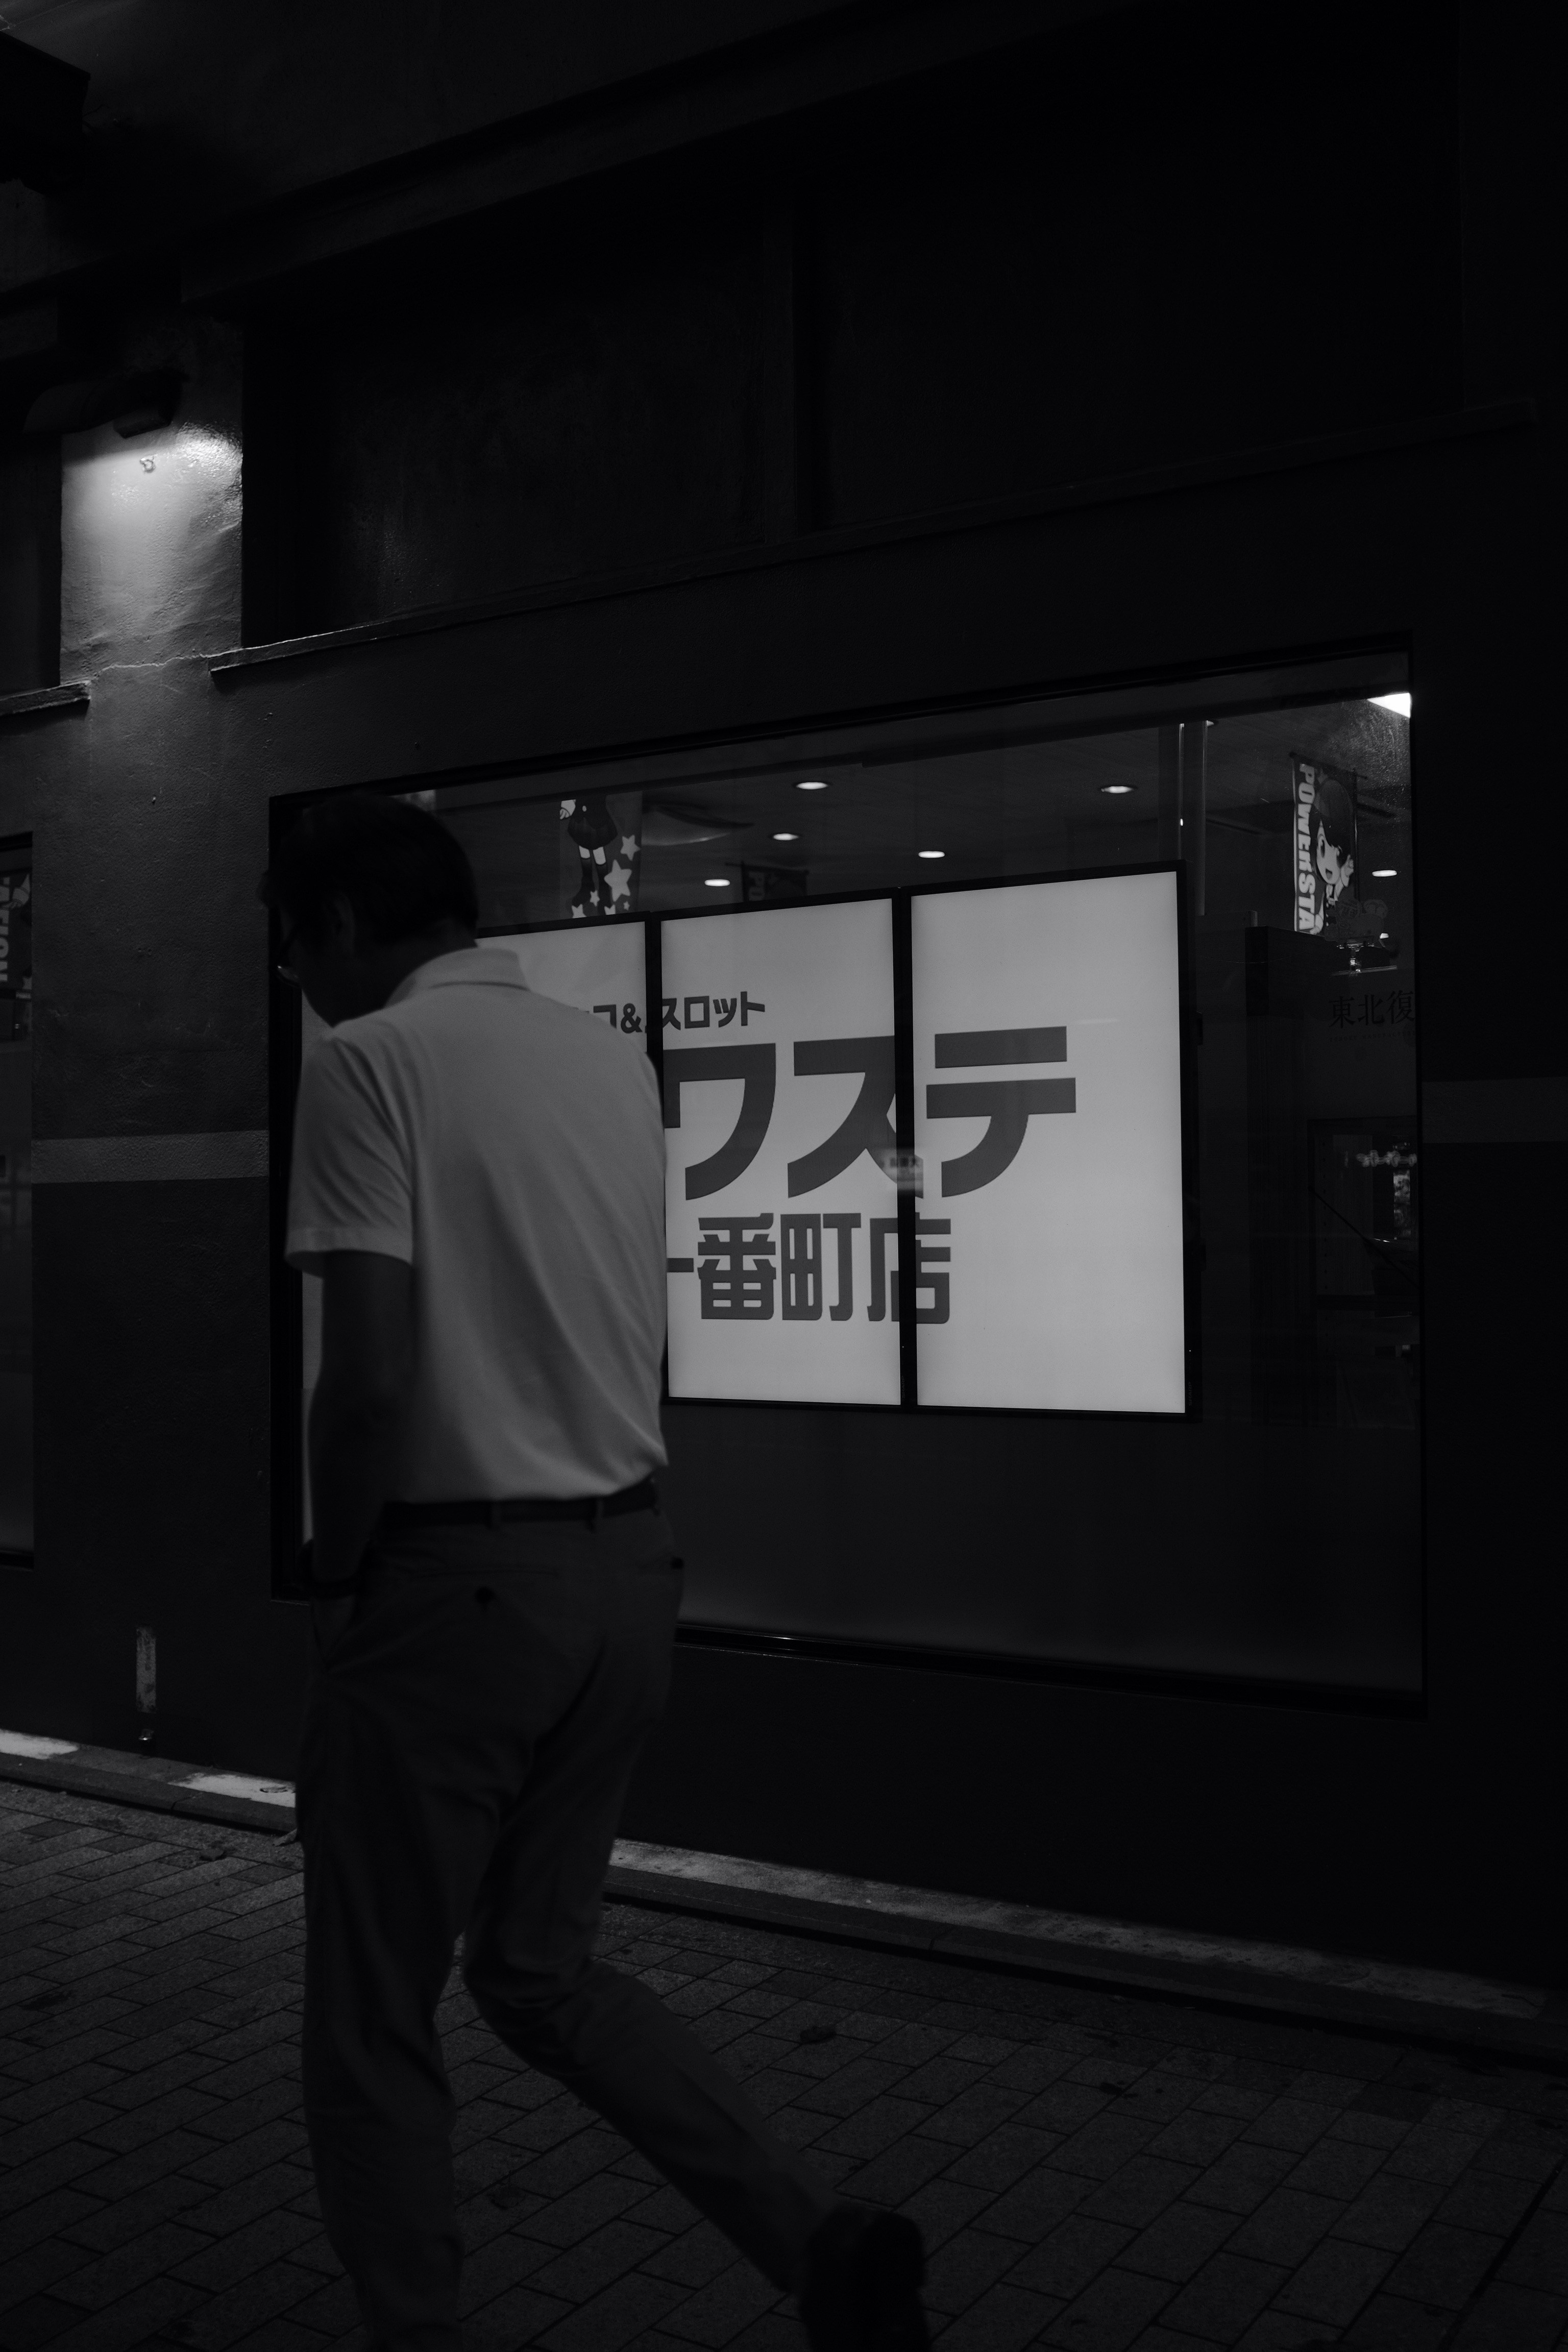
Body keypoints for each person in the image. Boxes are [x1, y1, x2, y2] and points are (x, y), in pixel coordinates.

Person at [263, 792, 928, 2352]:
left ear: (349, 926)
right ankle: (813, 2240)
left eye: (296, 941)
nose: (296, 974)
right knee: (540, 1971)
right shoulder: (606, 1061)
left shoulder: (366, 1064)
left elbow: (362, 1379)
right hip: (629, 1578)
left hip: (456, 1588)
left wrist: (335, 1575)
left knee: (372, 2022)